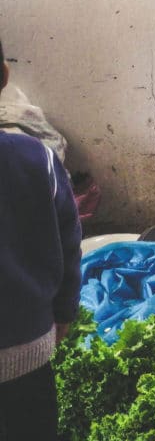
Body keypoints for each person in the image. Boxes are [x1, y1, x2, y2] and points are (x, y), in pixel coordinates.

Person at [0, 35, 82, 441]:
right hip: (28, 353)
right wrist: (64, 311)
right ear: (4, 76)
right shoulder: (37, 158)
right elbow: (69, 243)